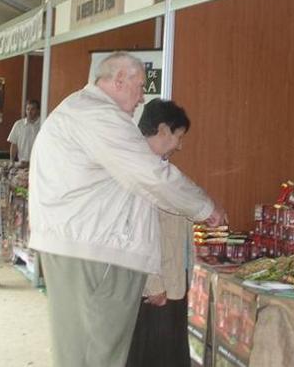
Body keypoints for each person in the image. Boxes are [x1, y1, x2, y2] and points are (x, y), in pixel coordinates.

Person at [29, 51, 226, 367]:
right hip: (94, 253)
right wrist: (205, 207)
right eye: (139, 86)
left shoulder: (82, 111)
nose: (142, 96)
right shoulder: (97, 116)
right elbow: (152, 176)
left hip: (87, 248)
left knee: (90, 350)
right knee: (96, 351)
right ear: (118, 80)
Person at [127, 99, 195, 367]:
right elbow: (138, 230)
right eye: (178, 136)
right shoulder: (143, 172)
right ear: (163, 130)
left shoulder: (158, 169)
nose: (180, 145)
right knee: (154, 355)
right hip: (156, 288)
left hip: (170, 281)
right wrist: (153, 283)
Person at [7, 99, 40, 164]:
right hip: (22, 162)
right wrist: (11, 161)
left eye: (32, 109)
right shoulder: (18, 124)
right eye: (28, 109)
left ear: (38, 110)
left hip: (38, 163)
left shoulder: (43, 124)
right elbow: (14, 145)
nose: (29, 112)